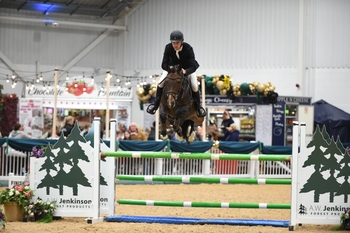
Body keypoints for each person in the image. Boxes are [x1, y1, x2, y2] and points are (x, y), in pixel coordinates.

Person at [146, 30, 206, 117]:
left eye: (177, 43)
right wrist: (169, 68)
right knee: (160, 83)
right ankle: (155, 105)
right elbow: (163, 64)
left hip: (186, 69)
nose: (175, 45)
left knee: (194, 85)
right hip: (171, 70)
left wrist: (186, 71)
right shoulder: (168, 47)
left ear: (182, 41)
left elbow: (193, 65)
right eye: (173, 43)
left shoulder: (188, 48)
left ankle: (198, 107)